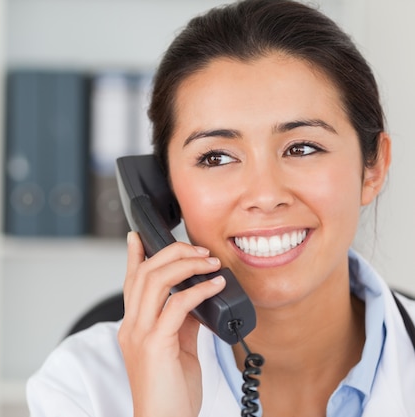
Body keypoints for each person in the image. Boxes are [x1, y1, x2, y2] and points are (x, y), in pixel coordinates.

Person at [26, 0, 415, 416]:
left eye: (302, 148)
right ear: (163, 190)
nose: (265, 195)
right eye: (216, 157)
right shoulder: (81, 386)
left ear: (372, 169)